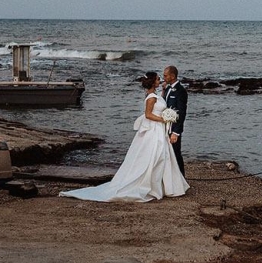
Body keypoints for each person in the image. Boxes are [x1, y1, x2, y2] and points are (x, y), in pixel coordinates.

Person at [59, 72, 188, 202]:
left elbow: (159, 106)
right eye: (158, 79)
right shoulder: (151, 97)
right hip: (154, 129)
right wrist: (163, 119)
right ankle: (152, 185)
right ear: (153, 81)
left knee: (161, 155)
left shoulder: (156, 94)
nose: (160, 80)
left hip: (158, 130)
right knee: (156, 155)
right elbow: (148, 115)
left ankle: (161, 184)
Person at [161, 65, 188, 176]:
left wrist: (176, 132)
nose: (164, 77)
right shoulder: (167, 88)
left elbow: (181, 113)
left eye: (165, 75)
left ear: (172, 76)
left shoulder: (181, 91)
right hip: (165, 126)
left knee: (176, 153)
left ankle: (181, 177)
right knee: (167, 153)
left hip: (174, 128)